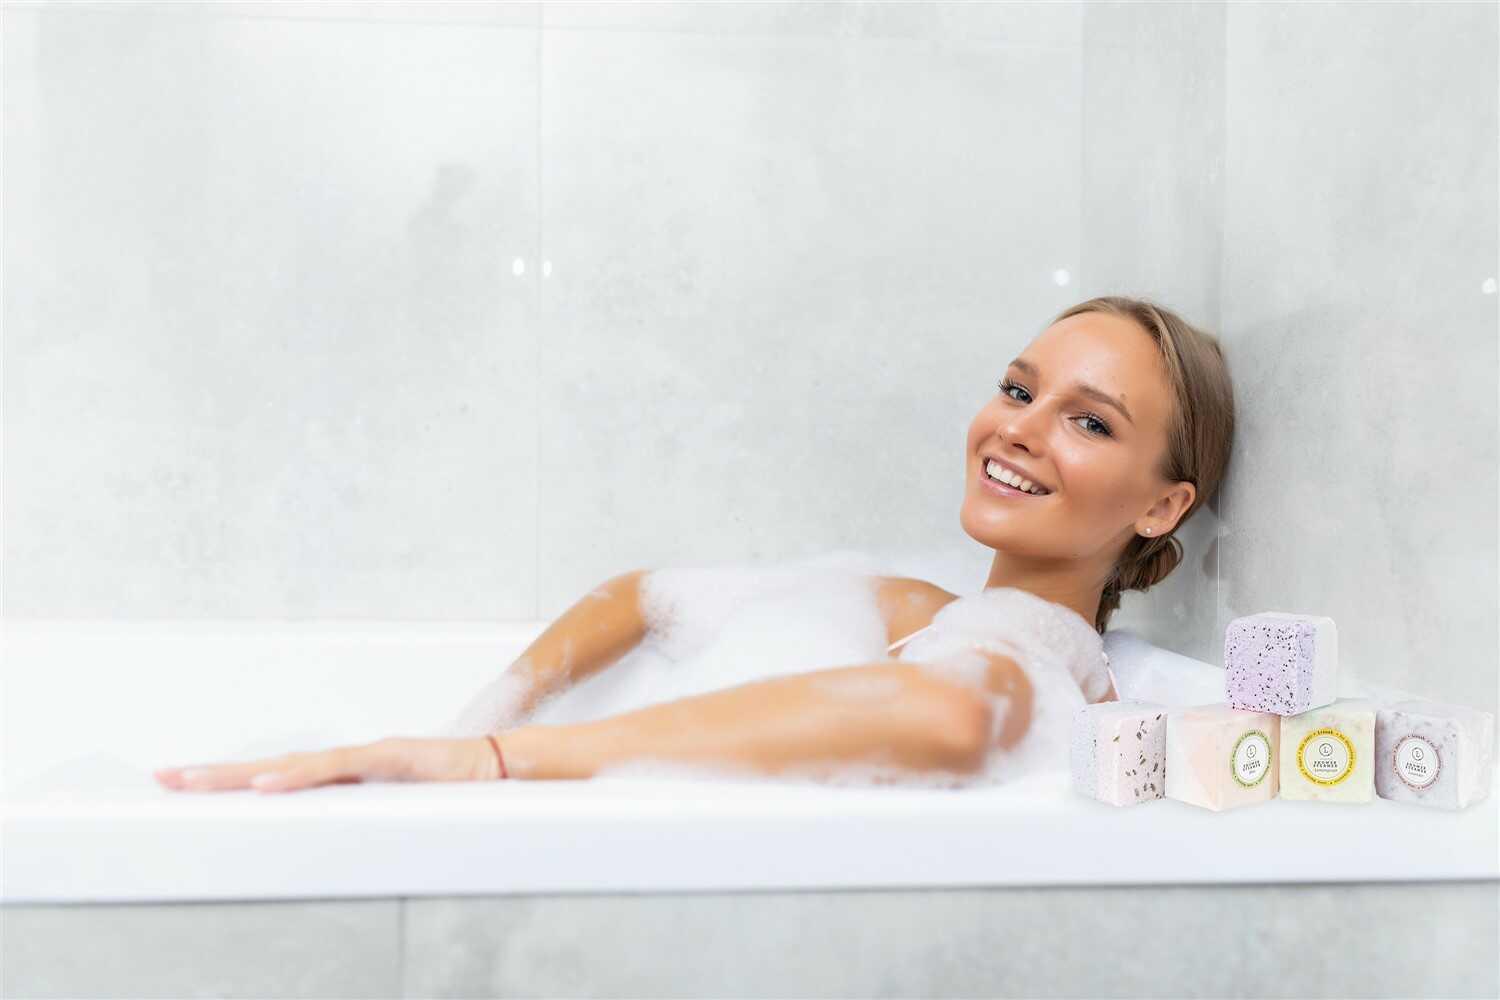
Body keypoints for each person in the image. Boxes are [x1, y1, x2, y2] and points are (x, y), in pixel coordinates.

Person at [153, 295, 1234, 794]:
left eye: (1091, 422)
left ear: (1162, 507)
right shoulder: (924, 611)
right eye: (1018, 389)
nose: (1020, 429)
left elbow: (952, 720)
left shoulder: (1025, 658)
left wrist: (491, 763)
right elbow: (642, 595)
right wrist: (474, 723)